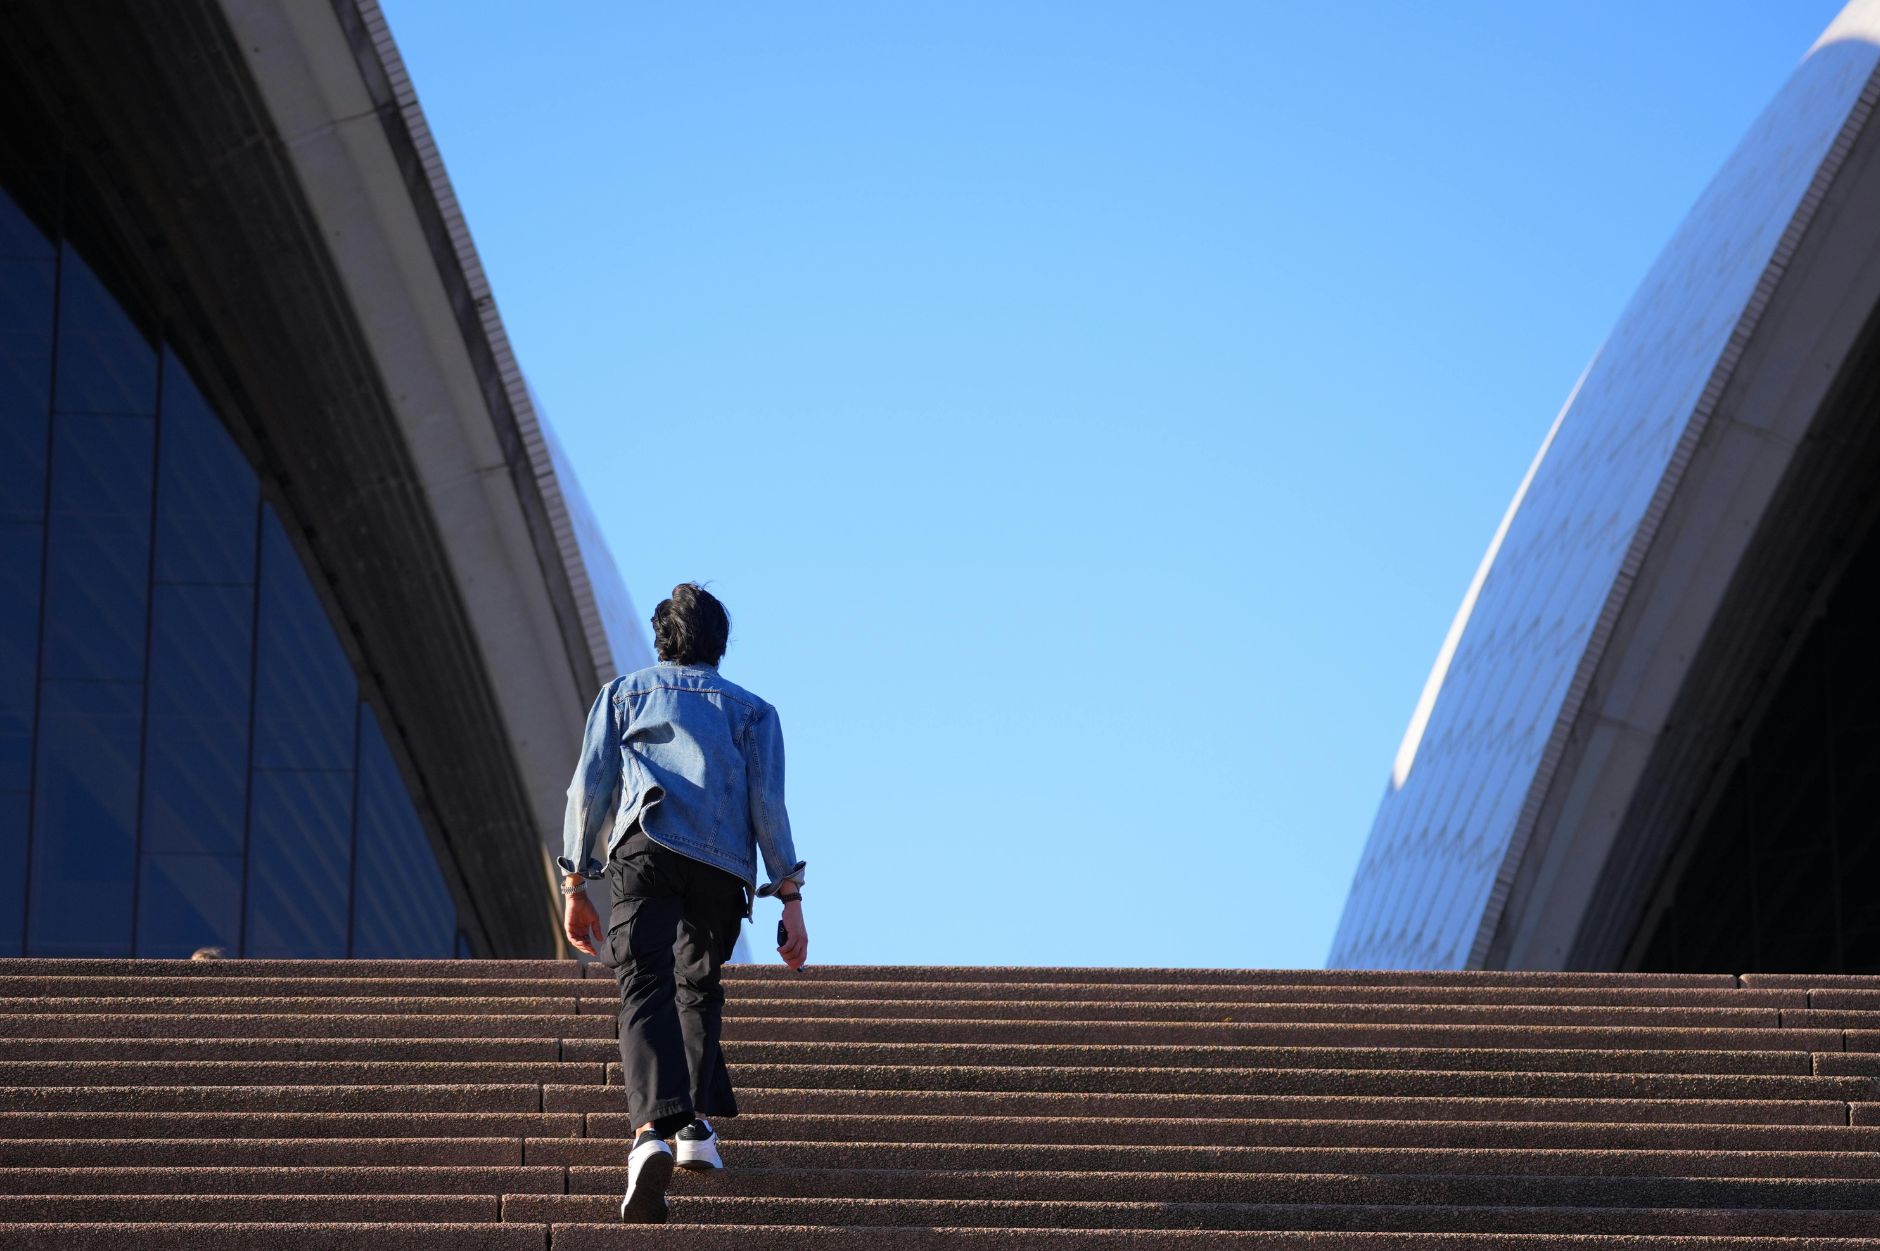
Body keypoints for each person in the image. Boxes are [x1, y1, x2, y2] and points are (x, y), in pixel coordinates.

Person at [558, 582, 808, 1224]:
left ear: (661, 639)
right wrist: (789, 896)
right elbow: (767, 808)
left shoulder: (624, 694)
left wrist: (575, 881)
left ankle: (650, 1135)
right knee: (697, 984)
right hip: (721, 866)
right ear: (719, 646)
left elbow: (589, 789)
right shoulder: (754, 711)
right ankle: (694, 1127)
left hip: (648, 846)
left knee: (643, 981)